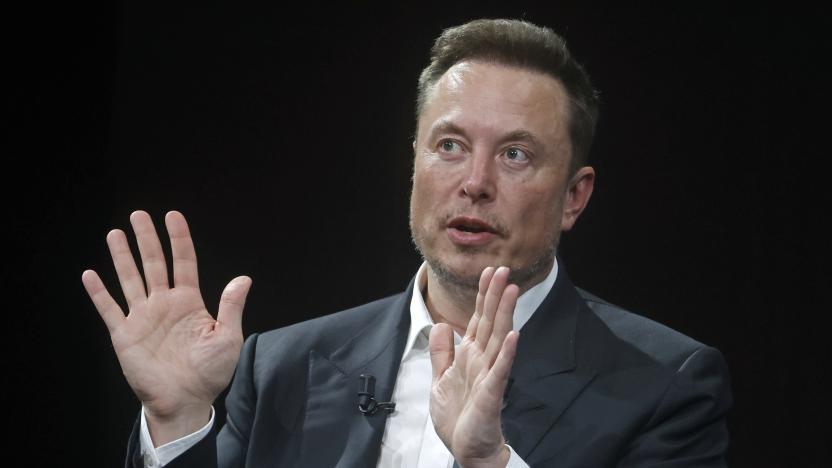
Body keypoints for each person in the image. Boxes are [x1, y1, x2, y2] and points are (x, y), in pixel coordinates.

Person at [82, 19, 732, 468]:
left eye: (514, 154)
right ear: (414, 164)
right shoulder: (281, 367)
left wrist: (490, 462)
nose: (474, 183)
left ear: (574, 196)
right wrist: (177, 424)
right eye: (450, 146)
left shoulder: (665, 385)